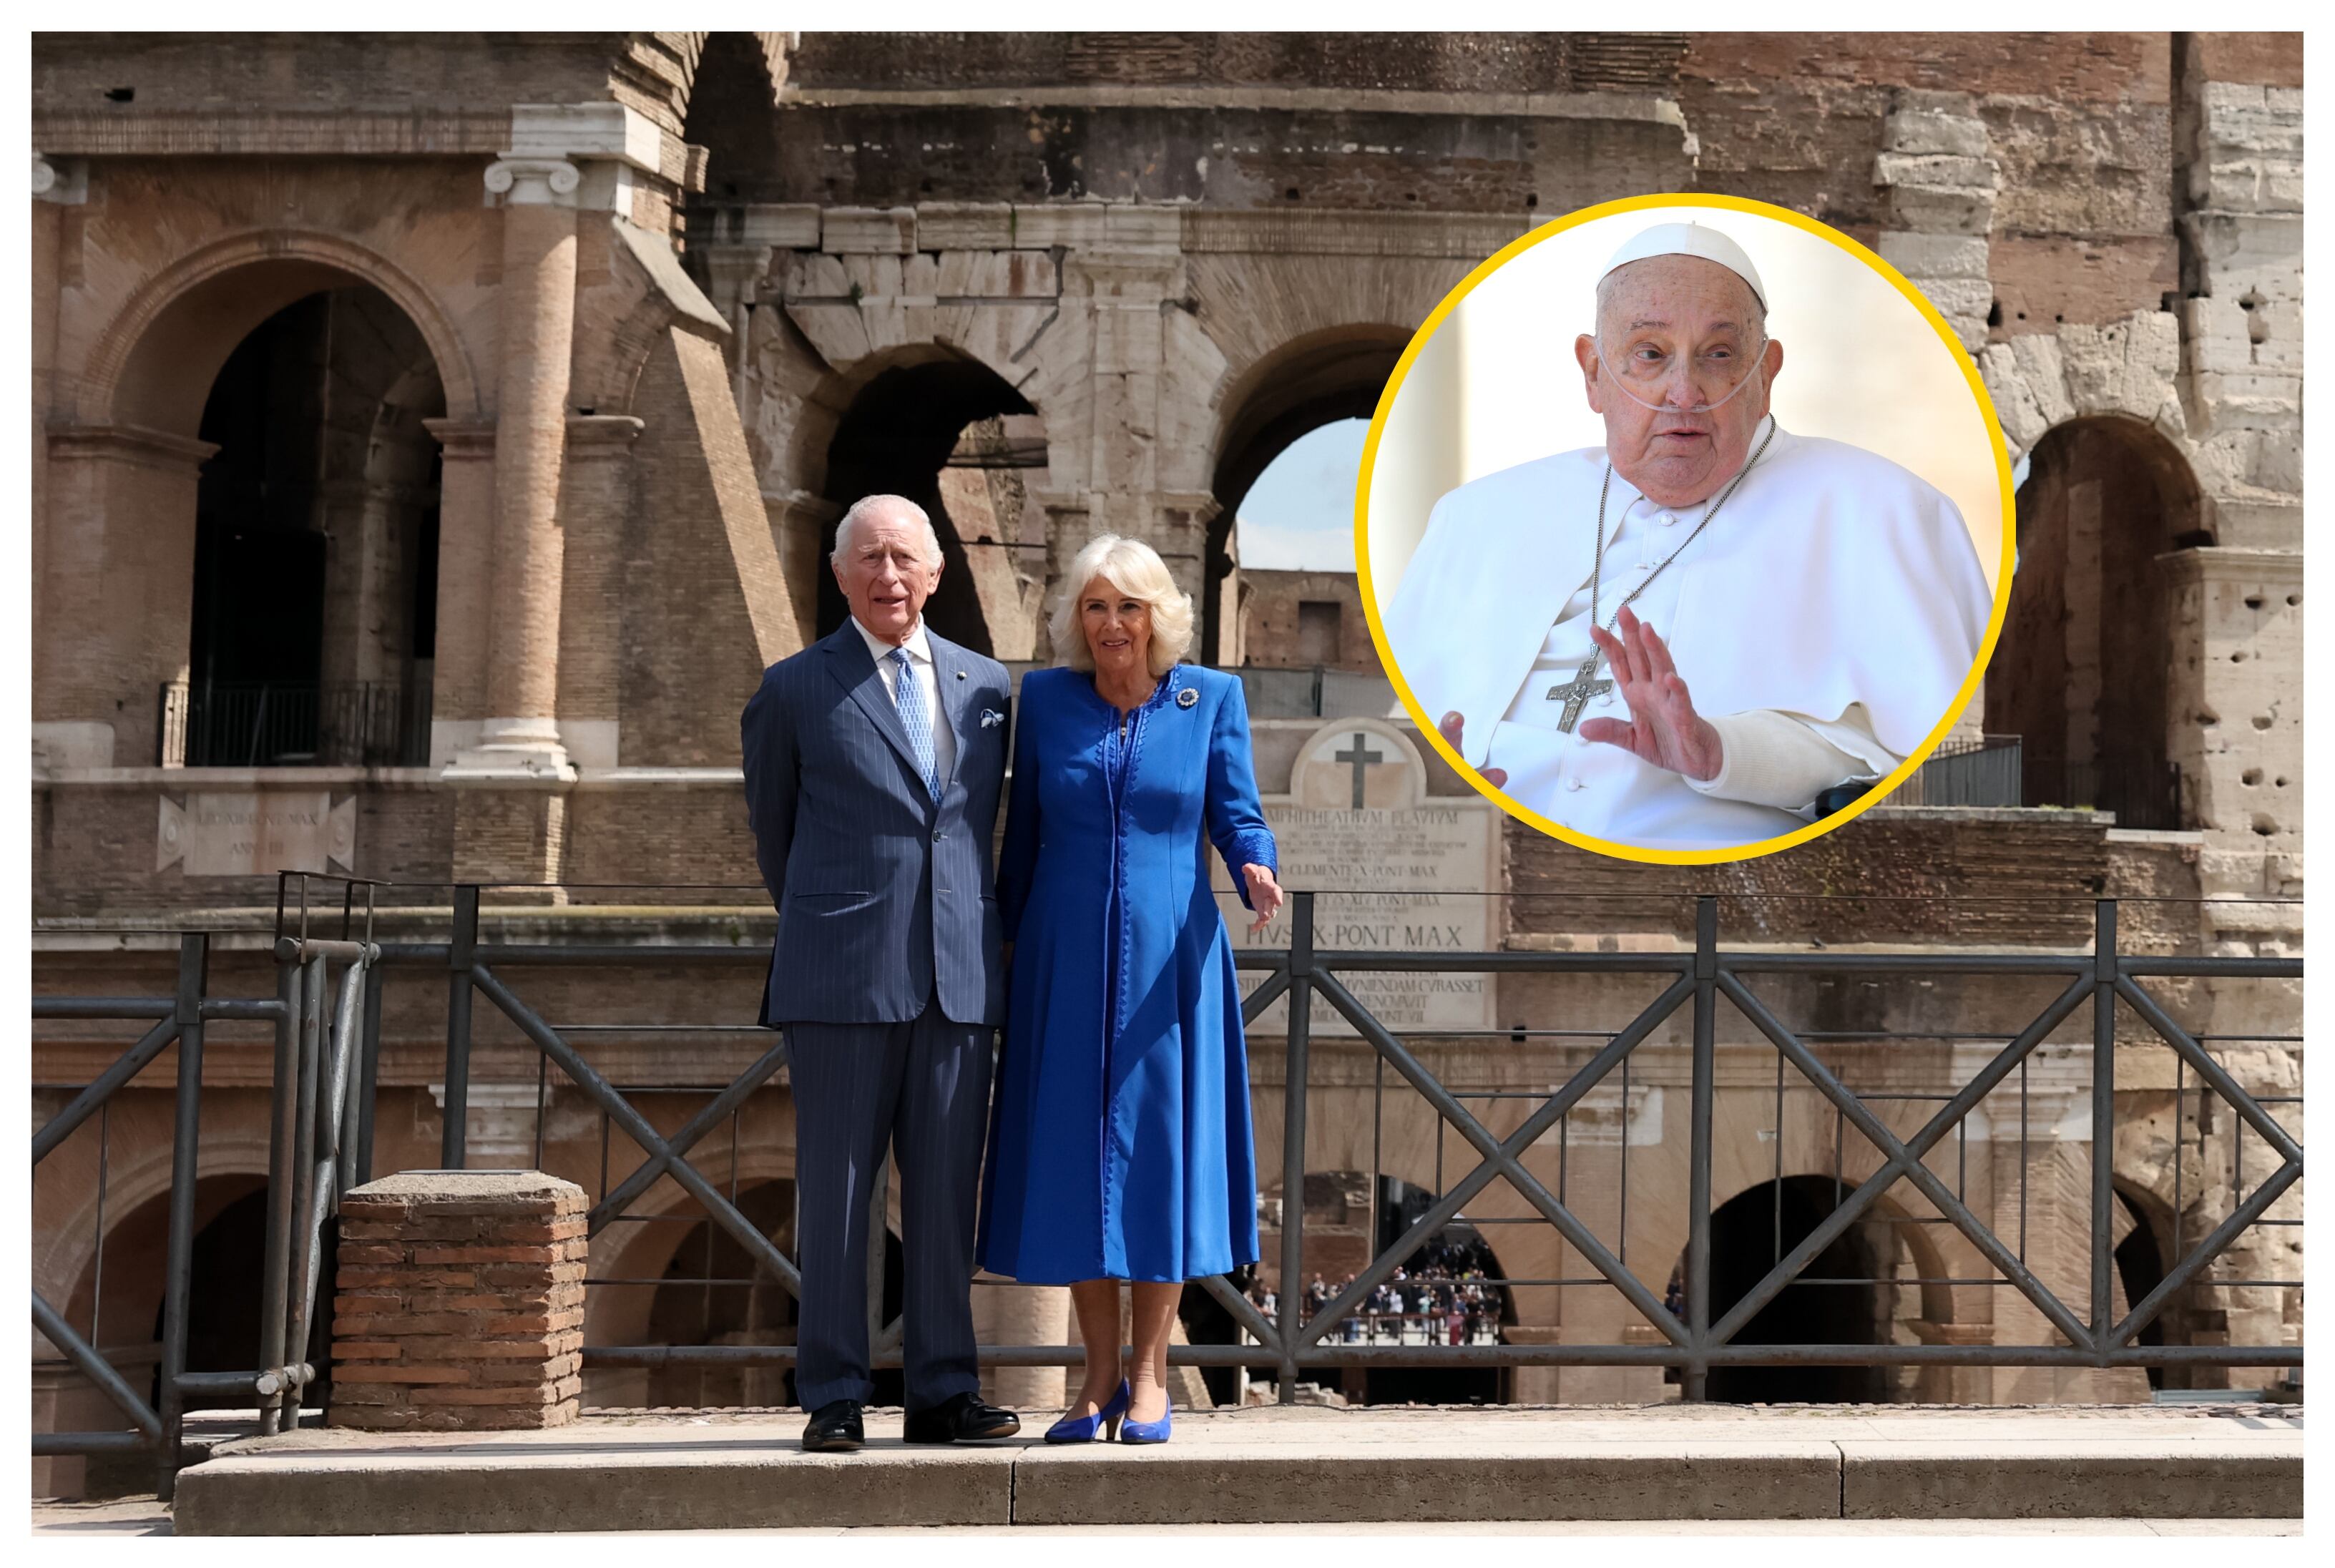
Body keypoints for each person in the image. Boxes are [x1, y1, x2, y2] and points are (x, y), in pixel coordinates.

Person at [1382, 220, 1992, 851]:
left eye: (1719, 356)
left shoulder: (1889, 513)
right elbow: (1398, 733)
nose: (1684, 393)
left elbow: (1921, 759)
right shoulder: (1478, 516)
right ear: (1594, 373)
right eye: (1650, 353)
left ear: (1765, 375)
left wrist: (1719, 752)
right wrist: (1433, 782)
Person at [978, 534, 1285, 1448]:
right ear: (1077, 619)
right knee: (1076, 1159)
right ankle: (1095, 1377)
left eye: (1129, 606)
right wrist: (1000, 947)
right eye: (1095, 606)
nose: (1112, 623)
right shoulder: (1044, 700)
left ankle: (1151, 1374)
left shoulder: (1210, 699)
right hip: (1060, 959)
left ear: (1160, 617)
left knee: (1159, 1157)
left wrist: (1256, 864)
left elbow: (1236, 812)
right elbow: (1019, 838)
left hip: (1171, 963)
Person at [740, 494, 1021, 1454]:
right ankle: (833, 1393)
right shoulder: (792, 690)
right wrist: (840, 922)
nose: (889, 576)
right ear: (840, 573)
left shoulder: (988, 691)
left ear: (936, 573)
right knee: (836, 1192)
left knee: (946, 1199)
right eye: (870, 559)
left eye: (905, 558)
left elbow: (984, 830)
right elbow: (775, 839)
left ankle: (945, 1392)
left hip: (957, 980)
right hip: (840, 979)